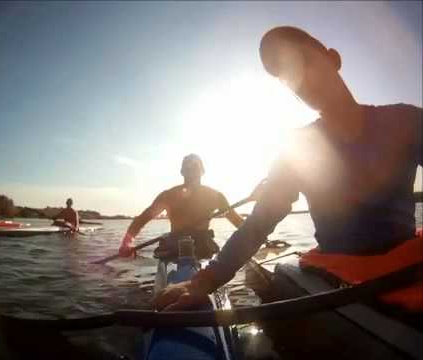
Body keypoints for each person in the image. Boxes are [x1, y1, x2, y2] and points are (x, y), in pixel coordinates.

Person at [153, 26, 422, 312]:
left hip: (409, 263)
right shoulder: (296, 149)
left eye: (304, 61)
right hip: (341, 272)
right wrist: (203, 282)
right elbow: (258, 224)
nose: (301, 80)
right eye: (288, 77)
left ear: (333, 58)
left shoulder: (406, 120)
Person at [118, 154, 244, 259]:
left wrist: (259, 239)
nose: (192, 172)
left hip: (202, 245)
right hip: (175, 245)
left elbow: (236, 220)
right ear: (182, 172)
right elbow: (142, 219)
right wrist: (127, 243)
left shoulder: (215, 196)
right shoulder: (168, 196)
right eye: (188, 168)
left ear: (202, 171)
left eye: (195, 168)